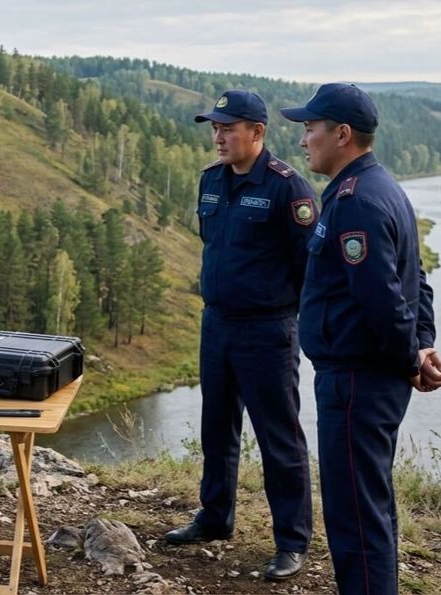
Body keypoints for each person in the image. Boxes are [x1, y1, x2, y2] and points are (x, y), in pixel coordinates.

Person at [280, 83, 441, 595]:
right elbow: (415, 279)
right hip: (368, 377)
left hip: (358, 380)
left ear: (342, 134)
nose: (303, 139)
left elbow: (382, 297)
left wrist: (410, 358)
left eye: (310, 128)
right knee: (368, 503)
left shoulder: (356, 202)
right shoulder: (381, 187)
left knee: (355, 513)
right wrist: (421, 345)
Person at [164, 90, 316, 581]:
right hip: (217, 323)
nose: (218, 136)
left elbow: (309, 265)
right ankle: (214, 517)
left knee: (278, 438)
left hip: (268, 329)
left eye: (228, 128)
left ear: (257, 132)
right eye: (215, 128)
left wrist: (292, 319)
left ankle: (291, 542)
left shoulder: (287, 188)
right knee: (216, 428)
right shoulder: (210, 180)